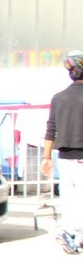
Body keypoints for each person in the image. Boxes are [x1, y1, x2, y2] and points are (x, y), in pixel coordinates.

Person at [42, 50, 83, 254]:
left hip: (64, 158)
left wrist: (46, 157)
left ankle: (68, 231)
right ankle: (78, 236)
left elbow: (51, 129)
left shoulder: (58, 98)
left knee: (69, 197)